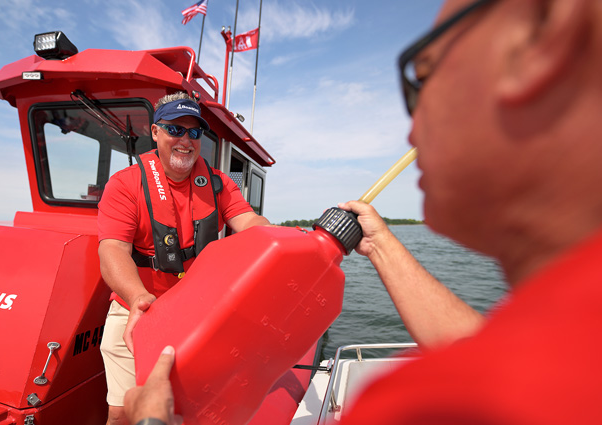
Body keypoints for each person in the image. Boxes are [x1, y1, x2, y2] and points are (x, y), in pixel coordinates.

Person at [125, 0, 602, 423]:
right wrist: (378, 244)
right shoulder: (574, 344)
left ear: (546, 43)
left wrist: (150, 423)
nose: (412, 127)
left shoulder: (420, 404)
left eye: (425, 73)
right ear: (157, 136)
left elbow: (250, 226)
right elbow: (493, 354)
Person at [97, 91, 270, 425]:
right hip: (136, 309)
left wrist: (275, 237)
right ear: (156, 132)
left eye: (194, 132)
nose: (186, 140)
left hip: (198, 311)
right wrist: (137, 299)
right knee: (121, 413)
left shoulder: (220, 185)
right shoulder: (124, 185)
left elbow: (250, 223)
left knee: (196, 408)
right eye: (176, 129)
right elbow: (112, 250)